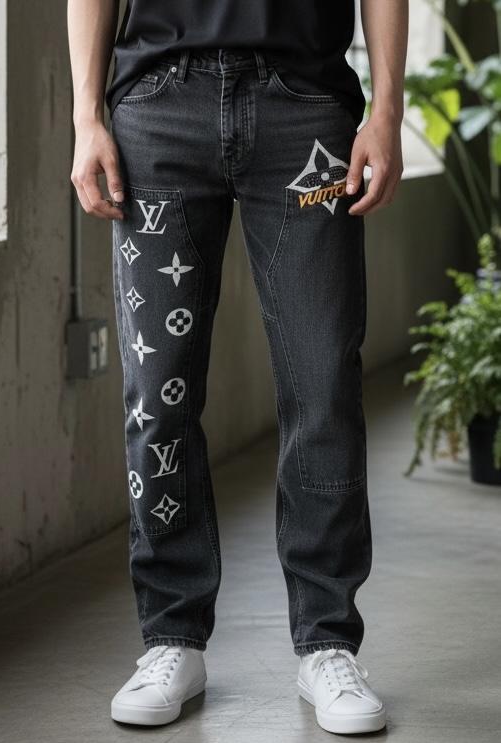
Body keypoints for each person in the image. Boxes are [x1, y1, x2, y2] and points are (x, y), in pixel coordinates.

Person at [68, 0, 407, 734]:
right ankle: (170, 635)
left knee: (322, 384)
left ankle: (326, 640)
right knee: (157, 397)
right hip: (158, 106)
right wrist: (85, 115)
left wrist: (387, 108)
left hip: (305, 108)